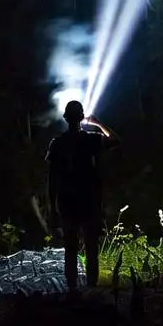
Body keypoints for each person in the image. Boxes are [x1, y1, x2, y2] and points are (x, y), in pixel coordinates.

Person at [45, 99, 119, 292]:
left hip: (67, 202)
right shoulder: (91, 138)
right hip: (89, 201)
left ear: (66, 118)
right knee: (91, 246)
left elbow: (51, 178)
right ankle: (91, 289)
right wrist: (98, 123)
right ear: (81, 117)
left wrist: (52, 206)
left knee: (70, 248)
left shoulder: (57, 143)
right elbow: (115, 140)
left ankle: (72, 290)